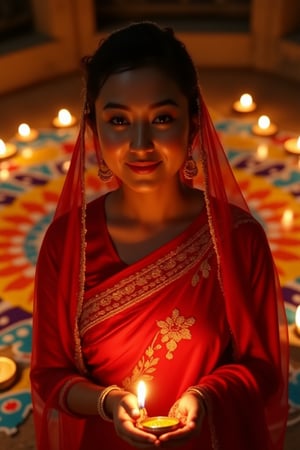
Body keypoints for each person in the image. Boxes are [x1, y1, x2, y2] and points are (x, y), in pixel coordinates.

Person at [30, 21, 289, 450]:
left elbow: (262, 368)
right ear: (94, 129)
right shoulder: (65, 245)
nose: (140, 143)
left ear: (193, 122)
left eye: (162, 118)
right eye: (118, 120)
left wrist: (204, 397)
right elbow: (50, 375)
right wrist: (108, 402)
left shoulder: (239, 240)